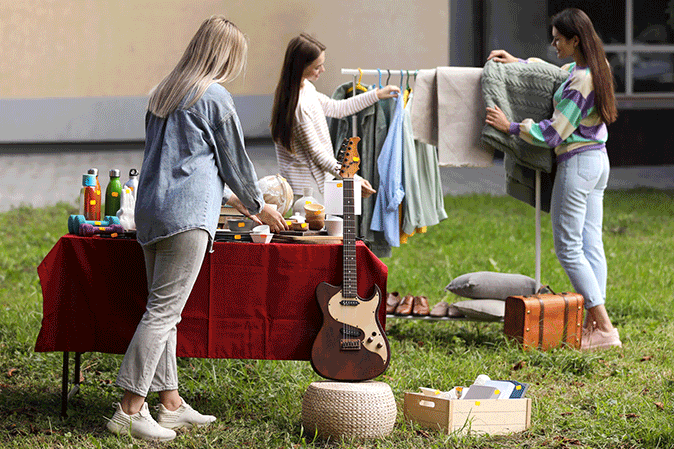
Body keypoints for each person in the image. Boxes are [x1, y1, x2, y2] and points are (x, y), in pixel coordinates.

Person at [106, 16, 288, 442]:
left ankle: (169, 404)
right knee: (163, 313)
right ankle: (128, 410)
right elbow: (235, 161)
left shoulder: (163, 93)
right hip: (187, 220)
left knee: (164, 311)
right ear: (224, 55)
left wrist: (236, 201)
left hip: (152, 213)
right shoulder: (215, 96)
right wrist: (258, 206)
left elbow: (178, 164)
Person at [485, 8, 621, 351]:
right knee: (590, 245)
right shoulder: (593, 68)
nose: (553, 43)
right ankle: (596, 324)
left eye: (558, 38)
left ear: (575, 39)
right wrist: (519, 62)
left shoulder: (581, 81)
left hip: (577, 164)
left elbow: (555, 133)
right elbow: (557, 73)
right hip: (597, 161)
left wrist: (511, 127)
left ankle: (603, 326)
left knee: (568, 248)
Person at [270, 33, 400, 203]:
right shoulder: (299, 107)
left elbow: (337, 108)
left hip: (316, 186)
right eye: (317, 67)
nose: (322, 70)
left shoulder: (305, 88)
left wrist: (376, 94)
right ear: (301, 66)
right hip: (308, 191)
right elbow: (318, 155)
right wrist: (352, 177)